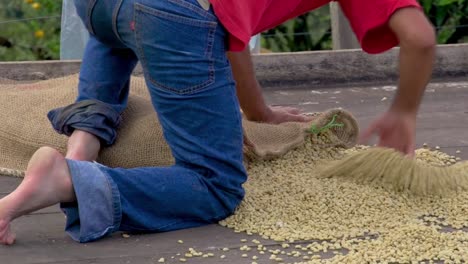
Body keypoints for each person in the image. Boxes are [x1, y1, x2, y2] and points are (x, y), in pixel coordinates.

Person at [0, 0, 435, 245]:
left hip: (98, 6)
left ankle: (83, 143)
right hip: (167, 13)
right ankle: (68, 180)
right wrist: (403, 111)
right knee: (215, 183)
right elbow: (419, 36)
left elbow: (233, 31)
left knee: (120, 30)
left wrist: (260, 113)